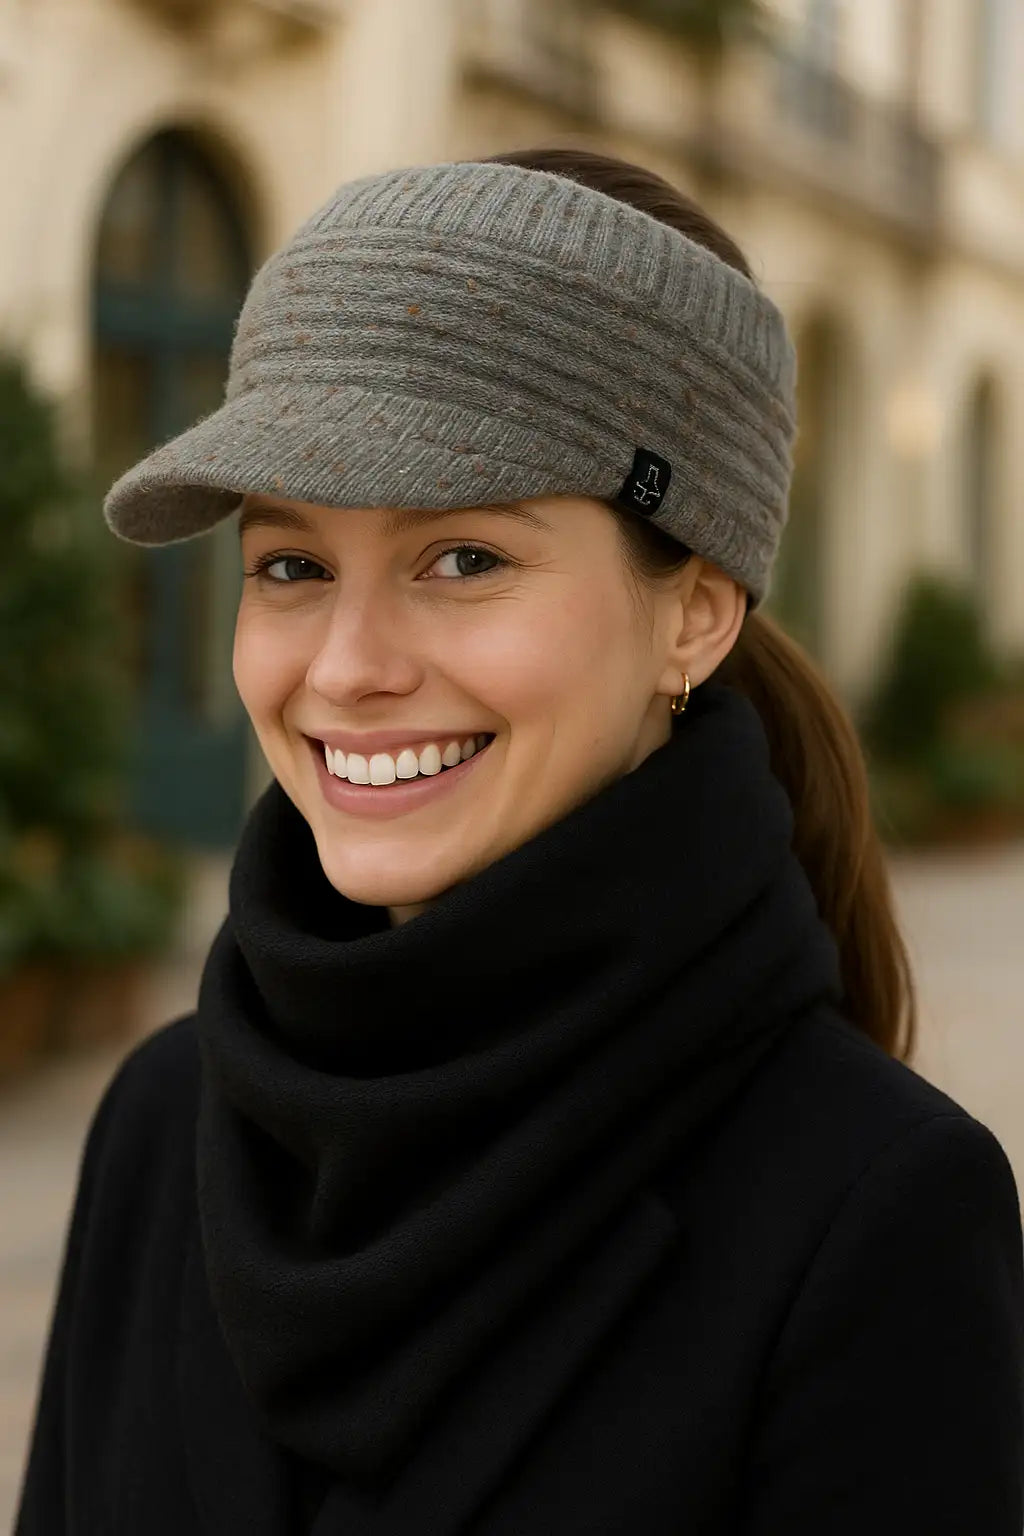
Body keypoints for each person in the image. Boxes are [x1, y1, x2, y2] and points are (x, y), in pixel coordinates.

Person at [14, 146, 1024, 1535]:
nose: (350, 668)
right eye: (291, 566)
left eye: (463, 558)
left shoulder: (871, 1214)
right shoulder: (160, 1123)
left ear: (696, 615)